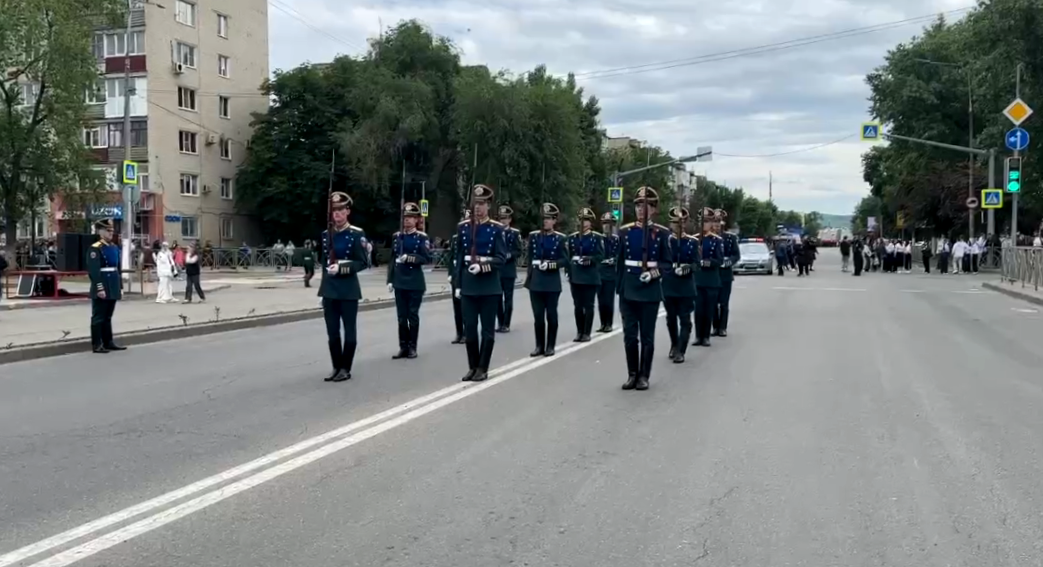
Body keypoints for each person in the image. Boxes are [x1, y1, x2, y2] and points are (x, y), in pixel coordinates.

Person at [616, 186, 673, 391]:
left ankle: (643, 376)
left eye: (647, 205)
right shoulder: (625, 231)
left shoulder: (662, 233)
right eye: (639, 205)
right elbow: (619, 262)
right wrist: (620, 289)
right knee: (630, 336)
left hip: (649, 290)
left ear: (654, 209)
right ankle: (632, 374)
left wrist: (653, 274)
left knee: (647, 336)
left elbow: (668, 264)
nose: (642, 209)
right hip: (628, 289)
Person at [454, 184, 508, 382]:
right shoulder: (463, 227)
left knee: (487, 330)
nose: (478, 207)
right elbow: (459, 257)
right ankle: (472, 366)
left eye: (482, 204)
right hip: (468, 284)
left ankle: (483, 368)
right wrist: (458, 284)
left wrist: (484, 266)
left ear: (488, 205)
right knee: (469, 328)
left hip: (489, 286)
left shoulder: (496, 228)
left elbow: (501, 258)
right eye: (475, 203)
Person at [319, 191, 369, 382]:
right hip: (330, 290)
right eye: (334, 211)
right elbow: (324, 264)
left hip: (348, 289)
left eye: (340, 210)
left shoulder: (356, 234)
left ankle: (346, 368)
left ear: (348, 211)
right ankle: (336, 366)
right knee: (332, 332)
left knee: (349, 331)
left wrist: (342, 267)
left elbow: (362, 262)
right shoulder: (326, 234)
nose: (337, 214)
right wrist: (321, 290)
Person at [387, 202, 431, 359]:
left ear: (417, 220)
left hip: (414, 281)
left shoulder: (421, 237)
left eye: (411, 218)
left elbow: (426, 258)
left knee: (412, 315)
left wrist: (410, 258)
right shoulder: (397, 236)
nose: (407, 220)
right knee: (401, 316)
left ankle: (413, 347)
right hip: (400, 281)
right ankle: (403, 346)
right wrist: (390, 279)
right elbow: (392, 259)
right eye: (405, 217)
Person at [524, 203, 568, 357]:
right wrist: (529, 279)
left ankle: (550, 345)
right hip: (536, 281)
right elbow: (530, 259)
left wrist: (551, 264)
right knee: (538, 317)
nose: (546, 222)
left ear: (554, 221)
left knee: (551, 315)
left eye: (549, 219)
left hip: (551, 282)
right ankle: (539, 346)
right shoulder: (534, 236)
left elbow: (564, 260)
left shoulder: (560, 238)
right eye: (544, 218)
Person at [662, 206, 697, 363]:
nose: (678, 225)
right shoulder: (665, 242)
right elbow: (660, 262)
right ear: (670, 224)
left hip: (685, 286)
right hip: (669, 284)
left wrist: (687, 268)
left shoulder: (692, 242)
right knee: (671, 319)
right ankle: (674, 344)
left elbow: (697, 263)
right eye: (675, 223)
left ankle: (681, 350)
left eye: (681, 222)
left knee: (685, 320)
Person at [86, 218, 126, 354]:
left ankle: (108, 342)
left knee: (108, 316)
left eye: (112, 231)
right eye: (108, 231)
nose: (111, 233)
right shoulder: (95, 248)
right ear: (100, 232)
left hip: (112, 284)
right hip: (102, 283)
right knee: (98, 317)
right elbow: (94, 271)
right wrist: (99, 288)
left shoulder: (114, 247)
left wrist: (120, 286)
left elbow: (117, 269)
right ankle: (97, 344)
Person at [567, 207, 604, 342]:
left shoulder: (596, 238)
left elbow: (600, 256)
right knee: (577, 305)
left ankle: (587, 332)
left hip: (590, 276)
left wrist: (590, 260)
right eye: (581, 220)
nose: (583, 223)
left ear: (590, 223)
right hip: (576, 275)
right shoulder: (573, 238)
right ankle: (579, 331)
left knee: (588, 305)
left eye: (586, 221)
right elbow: (569, 257)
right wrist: (569, 272)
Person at [693, 208, 723, 347]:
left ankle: (706, 336)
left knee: (709, 309)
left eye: (706, 221)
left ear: (711, 223)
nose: (703, 224)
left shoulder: (716, 240)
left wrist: (706, 262)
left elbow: (719, 260)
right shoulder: (694, 239)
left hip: (711, 280)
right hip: (698, 280)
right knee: (698, 310)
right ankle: (698, 336)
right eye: (702, 221)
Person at [496, 205, 523, 333]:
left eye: (505, 218)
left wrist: (509, 255)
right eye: (501, 218)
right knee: (497, 298)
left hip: (508, 270)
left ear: (510, 220)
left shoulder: (514, 233)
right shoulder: (495, 231)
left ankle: (506, 323)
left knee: (508, 298)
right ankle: (500, 322)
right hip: (497, 270)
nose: (503, 221)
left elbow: (519, 251)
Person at [713, 209, 739, 337]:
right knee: (712, 303)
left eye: (719, 222)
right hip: (712, 273)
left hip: (725, 275)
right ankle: (715, 326)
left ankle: (722, 327)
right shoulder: (708, 237)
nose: (717, 225)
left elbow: (736, 255)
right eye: (715, 222)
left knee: (723, 303)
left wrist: (729, 262)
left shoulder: (730, 238)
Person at [447, 209, 469, 344]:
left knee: (466, 307)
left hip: (466, 273)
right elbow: (451, 258)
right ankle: (459, 333)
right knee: (457, 307)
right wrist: (450, 273)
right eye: (465, 218)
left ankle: (467, 333)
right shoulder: (456, 238)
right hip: (456, 274)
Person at [596, 211, 619, 332]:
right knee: (600, 300)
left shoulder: (616, 240)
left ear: (613, 225)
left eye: (609, 224)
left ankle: (609, 323)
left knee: (608, 300)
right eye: (604, 223)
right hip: (600, 273)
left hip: (610, 274)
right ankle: (602, 323)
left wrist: (613, 260)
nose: (606, 226)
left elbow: (620, 255)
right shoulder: (598, 239)